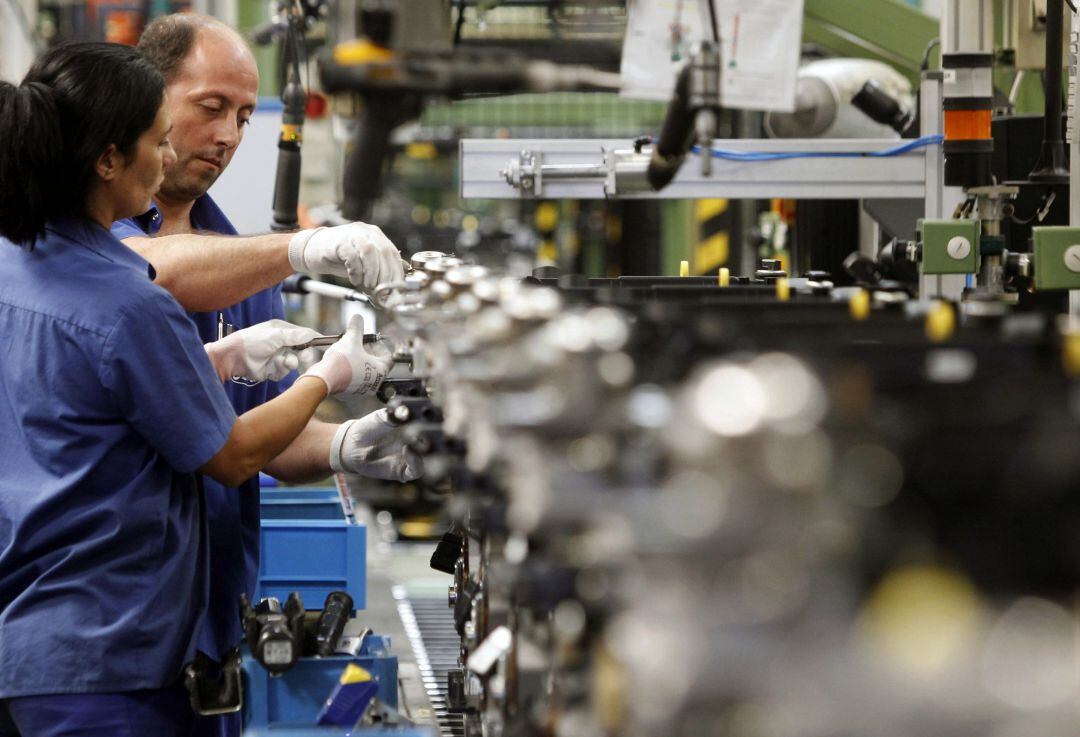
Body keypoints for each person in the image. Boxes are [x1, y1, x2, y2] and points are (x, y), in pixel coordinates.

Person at [0, 41, 391, 737]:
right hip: (113, 651)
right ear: (107, 158)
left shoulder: (17, 268)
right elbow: (234, 453)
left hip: (53, 643)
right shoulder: (123, 293)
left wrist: (343, 439)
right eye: (163, 136)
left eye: (245, 114)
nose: (178, 154)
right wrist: (326, 375)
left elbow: (89, 401)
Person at [112, 15, 420, 737]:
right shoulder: (93, 231)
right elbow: (149, 272)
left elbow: (263, 434)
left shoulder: (244, 260)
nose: (228, 136)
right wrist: (305, 246)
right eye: (211, 107)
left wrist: (348, 442)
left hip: (212, 627)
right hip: (114, 617)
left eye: (245, 116)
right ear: (149, 102)